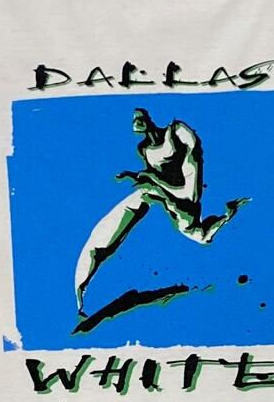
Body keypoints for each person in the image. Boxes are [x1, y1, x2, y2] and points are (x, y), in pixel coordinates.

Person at [73, 108, 248, 318]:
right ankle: (80, 290)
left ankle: (228, 214)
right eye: (134, 120)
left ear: (150, 118)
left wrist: (152, 179)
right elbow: (156, 175)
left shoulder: (177, 132)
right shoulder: (144, 149)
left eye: (139, 118)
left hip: (183, 201)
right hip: (164, 196)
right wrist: (138, 176)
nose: (136, 123)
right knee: (113, 228)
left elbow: (189, 193)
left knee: (200, 235)